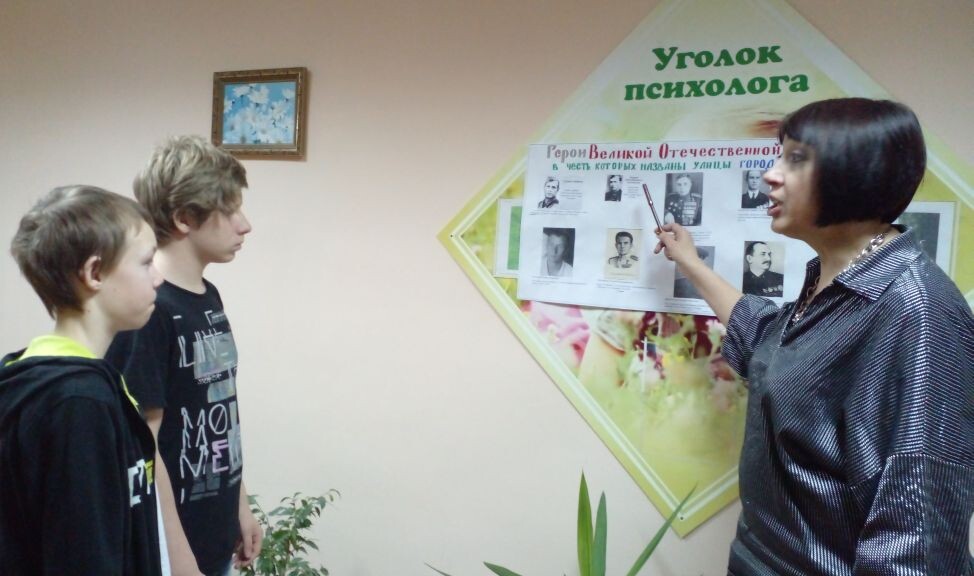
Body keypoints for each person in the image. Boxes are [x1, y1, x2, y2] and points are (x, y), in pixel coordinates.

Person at [653, 98, 974, 575]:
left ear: (858, 171)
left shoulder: (916, 307)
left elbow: (918, 529)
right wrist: (690, 263)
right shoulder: (835, 282)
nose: (770, 175)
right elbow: (766, 346)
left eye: (796, 159)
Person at [107, 136, 261, 576]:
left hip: (215, 539)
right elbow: (144, 447)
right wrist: (177, 557)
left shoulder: (208, 296)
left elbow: (219, 412)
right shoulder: (149, 311)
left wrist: (240, 506)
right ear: (184, 219)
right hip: (175, 552)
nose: (245, 225)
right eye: (229, 211)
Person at [0, 186, 164, 575]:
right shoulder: (79, 404)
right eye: (146, 262)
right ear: (94, 273)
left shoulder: (80, 382)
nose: (158, 278)